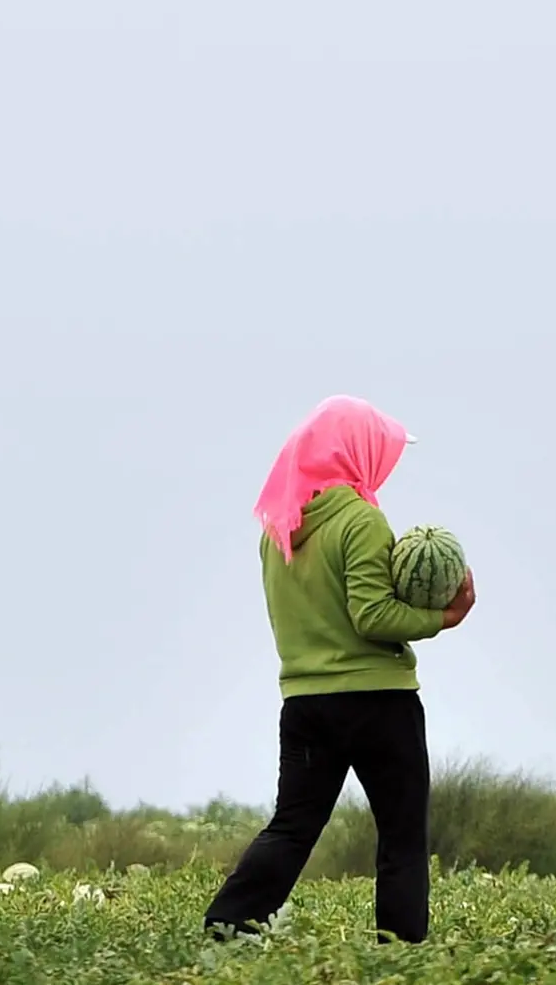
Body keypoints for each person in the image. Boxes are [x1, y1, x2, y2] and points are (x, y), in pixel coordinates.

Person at [202, 396, 473, 943]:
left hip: (304, 703)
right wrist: (444, 616)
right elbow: (373, 615)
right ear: (358, 452)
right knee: (400, 835)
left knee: (294, 826)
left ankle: (228, 923)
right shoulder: (360, 520)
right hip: (378, 701)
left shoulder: (276, 530)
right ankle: (399, 948)